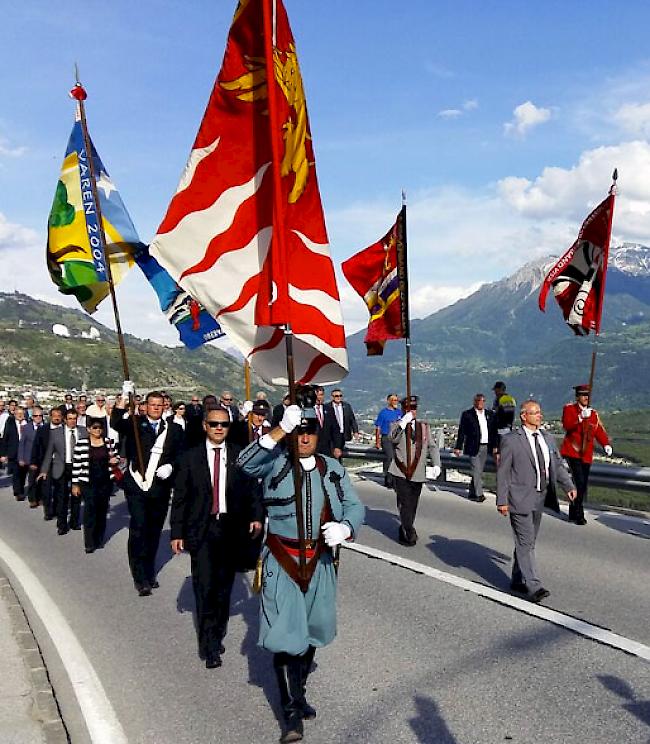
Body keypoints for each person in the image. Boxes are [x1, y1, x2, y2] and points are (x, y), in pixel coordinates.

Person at [237, 386, 365, 744]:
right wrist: (278, 431)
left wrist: (347, 526)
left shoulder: (332, 468)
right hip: (282, 558)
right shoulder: (275, 462)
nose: (304, 437)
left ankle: (299, 691)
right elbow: (244, 464)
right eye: (299, 431)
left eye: (309, 432)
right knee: (284, 636)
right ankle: (291, 712)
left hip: (320, 560)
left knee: (311, 632)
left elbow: (354, 506)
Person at [170, 405, 263, 668]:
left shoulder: (239, 456)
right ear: (204, 426)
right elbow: (181, 498)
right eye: (214, 424)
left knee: (224, 588)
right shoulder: (190, 457)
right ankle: (209, 644)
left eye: (223, 424)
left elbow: (252, 491)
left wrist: (256, 516)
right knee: (205, 587)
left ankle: (217, 631)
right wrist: (177, 532)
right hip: (202, 530)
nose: (219, 428)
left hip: (231, 529)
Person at [496, 400, 576, 603]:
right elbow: (503, 472)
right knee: (526, 541)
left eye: (540, 412)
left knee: (528, 541)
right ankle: (533, 585)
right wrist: (502, 500)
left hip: (540, 497)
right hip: (519, 498)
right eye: (535, 413)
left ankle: (516, 578)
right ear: (524, 416)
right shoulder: (512, 440)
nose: (540, 416)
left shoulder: (547, 438)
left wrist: (568, 486)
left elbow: (556, 466)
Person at [111, 388, 185, 595]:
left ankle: (149, 571)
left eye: (159, 405)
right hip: (137, 485)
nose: (155, 408)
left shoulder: (174, 429)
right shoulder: (135, 423)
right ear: (145, 406)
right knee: (139, 529)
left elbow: (181, 455)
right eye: (151, 404)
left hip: (160, 487)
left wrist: (171, 466)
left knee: (153, 531)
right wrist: (124, 398)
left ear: (165, 407)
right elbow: (115, 423)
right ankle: (139, 576)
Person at [388, 396, 441, 546]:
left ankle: (404, 527)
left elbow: (432, 447)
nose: (412, 411)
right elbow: (392, 439)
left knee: (412, 504)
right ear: (404, 409)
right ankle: (410, 532)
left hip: (418, 472)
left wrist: (437, 464)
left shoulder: (424, 427)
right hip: (400, 471)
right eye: (408, 408)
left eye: (414, 408)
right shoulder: (396, 425)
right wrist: (403, 423)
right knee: (405, 503)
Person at [560, 384, 612, 525]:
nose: (586, 398)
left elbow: (598, 431)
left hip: (586, 454)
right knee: (580, 482)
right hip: (573, 451)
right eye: (583, 395)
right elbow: (567, 425)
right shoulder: (569, 409)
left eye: (587, 395)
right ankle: (579, 513)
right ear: (577, 397)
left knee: (581, 485)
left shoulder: (593, 413)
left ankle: (572, 510)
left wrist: (605, 444)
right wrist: (580, 418)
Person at [71, 418, 119, 553]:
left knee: (102, 511)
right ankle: (89, 542)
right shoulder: (81, 444)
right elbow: (77, 466)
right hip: (88, 482)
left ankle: (99, 539)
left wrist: (116, 460)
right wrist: (75, 484)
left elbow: (116, 459)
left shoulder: (109, 442)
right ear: (88, 429)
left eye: (100, 428)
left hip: (105, 481)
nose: (98, 430)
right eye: (95, 427)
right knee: (90, 510)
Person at [38, 409, 88, 534]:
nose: (72, 421)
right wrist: (44, 470)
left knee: (77, 496)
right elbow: (49, 452)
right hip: (62, 466)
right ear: (65, 419)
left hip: (78, 467)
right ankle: (62, 524)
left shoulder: (83, 431)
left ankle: (74, 522)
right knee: (62, 497)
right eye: (70, 418)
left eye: (74, 418)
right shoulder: (56, 433)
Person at [454, 393, 498, 502]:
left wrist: (495, 446)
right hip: (473, 446)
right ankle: (479, 494)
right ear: (474, 402)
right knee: (476, 470)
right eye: (478, 400)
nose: (480, 402)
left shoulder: (489, 414)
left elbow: (494, 432)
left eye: (482, 400)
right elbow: (462, 431)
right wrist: (458, 446)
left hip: (485, 446)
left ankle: (472, 492)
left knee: (479, 470)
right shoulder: (467, 414)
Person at [32, 407, 63, 520]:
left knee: (59, 488)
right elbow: (36, 446)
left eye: (59, 415)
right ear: (50, 416)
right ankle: (48, 511)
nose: (56, 418)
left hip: (60, 463)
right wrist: (34, 462)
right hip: (46, 463)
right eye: (54, 415)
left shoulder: (65, 430)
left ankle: (57, 509)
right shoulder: (43, 429)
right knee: (47, 488)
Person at [0, 405, 29, 500]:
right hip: (14, 452)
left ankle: (20, 487)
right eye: (18, 413)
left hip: (25, 452)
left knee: (23, 473)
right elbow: (5, 438)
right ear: (15, 414)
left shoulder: (28, 423)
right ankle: (18, 492)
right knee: (16, 472)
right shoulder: (10, 423)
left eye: (22, 413)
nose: (20, 415)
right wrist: (3, 454)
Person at [374, 393, 401, 488]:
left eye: (396, 400)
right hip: (386, 438)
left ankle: (396, 480)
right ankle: (388, 480)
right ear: (389, 401)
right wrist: (377, 441)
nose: (395, 402)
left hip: (397, 438)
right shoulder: (383, 413)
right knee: (390, 458)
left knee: (398, 459)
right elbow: (378, 427)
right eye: (393, 400)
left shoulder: (399, 412)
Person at [19, 406, 44, 508]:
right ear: (32, 417)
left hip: (43, 458)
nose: (38, 417)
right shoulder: (26, 428)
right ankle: (32, 499)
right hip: (30, 458)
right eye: (35, 416)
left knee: (42, 480)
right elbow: (22, 444)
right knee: (32, 480)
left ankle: (41, 497)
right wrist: (21, 458)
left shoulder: (46, 427)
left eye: (40, 416)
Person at [324, 388, 359, 460]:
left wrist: (355, 431)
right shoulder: (327, 407)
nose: (338, 397)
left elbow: (352, 419)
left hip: (343, 434)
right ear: (332, 397)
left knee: (340, 454)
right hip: (331, 436)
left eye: (340, 395)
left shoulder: (346, 406)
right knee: (333, 454)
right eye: (336, 396)